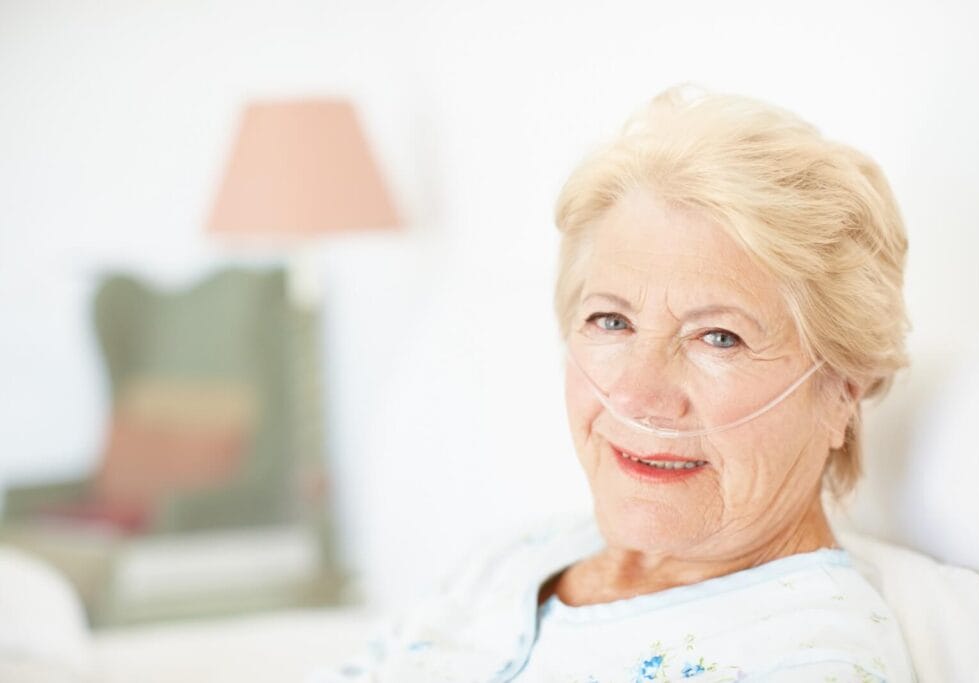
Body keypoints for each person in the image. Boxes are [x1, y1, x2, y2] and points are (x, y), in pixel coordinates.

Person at [312, 86, 916, 682]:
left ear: (841, 389)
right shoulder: (513, 560)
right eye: (612, 321)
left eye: (719, 338)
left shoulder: (810, 661)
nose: (636, 395)